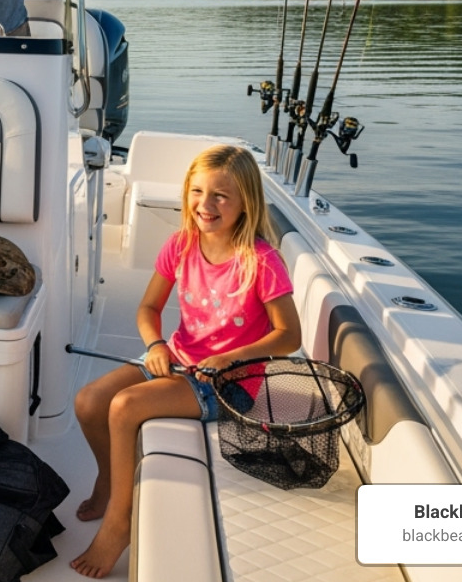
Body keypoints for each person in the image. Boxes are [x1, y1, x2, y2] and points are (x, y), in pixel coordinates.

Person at [69, 144, 301, 578]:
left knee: (125, 406)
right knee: (89, 401)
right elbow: (147, 309)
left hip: (230, 382)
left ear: (245, 202)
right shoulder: (181, 244)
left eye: (220, 196)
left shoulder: (262, 261)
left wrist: (228, 356)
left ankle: (120, 523)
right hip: (177, 357)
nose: (205, 205)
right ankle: (108, 481)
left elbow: (289, 336)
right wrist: (156, 346)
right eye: (198, 191)